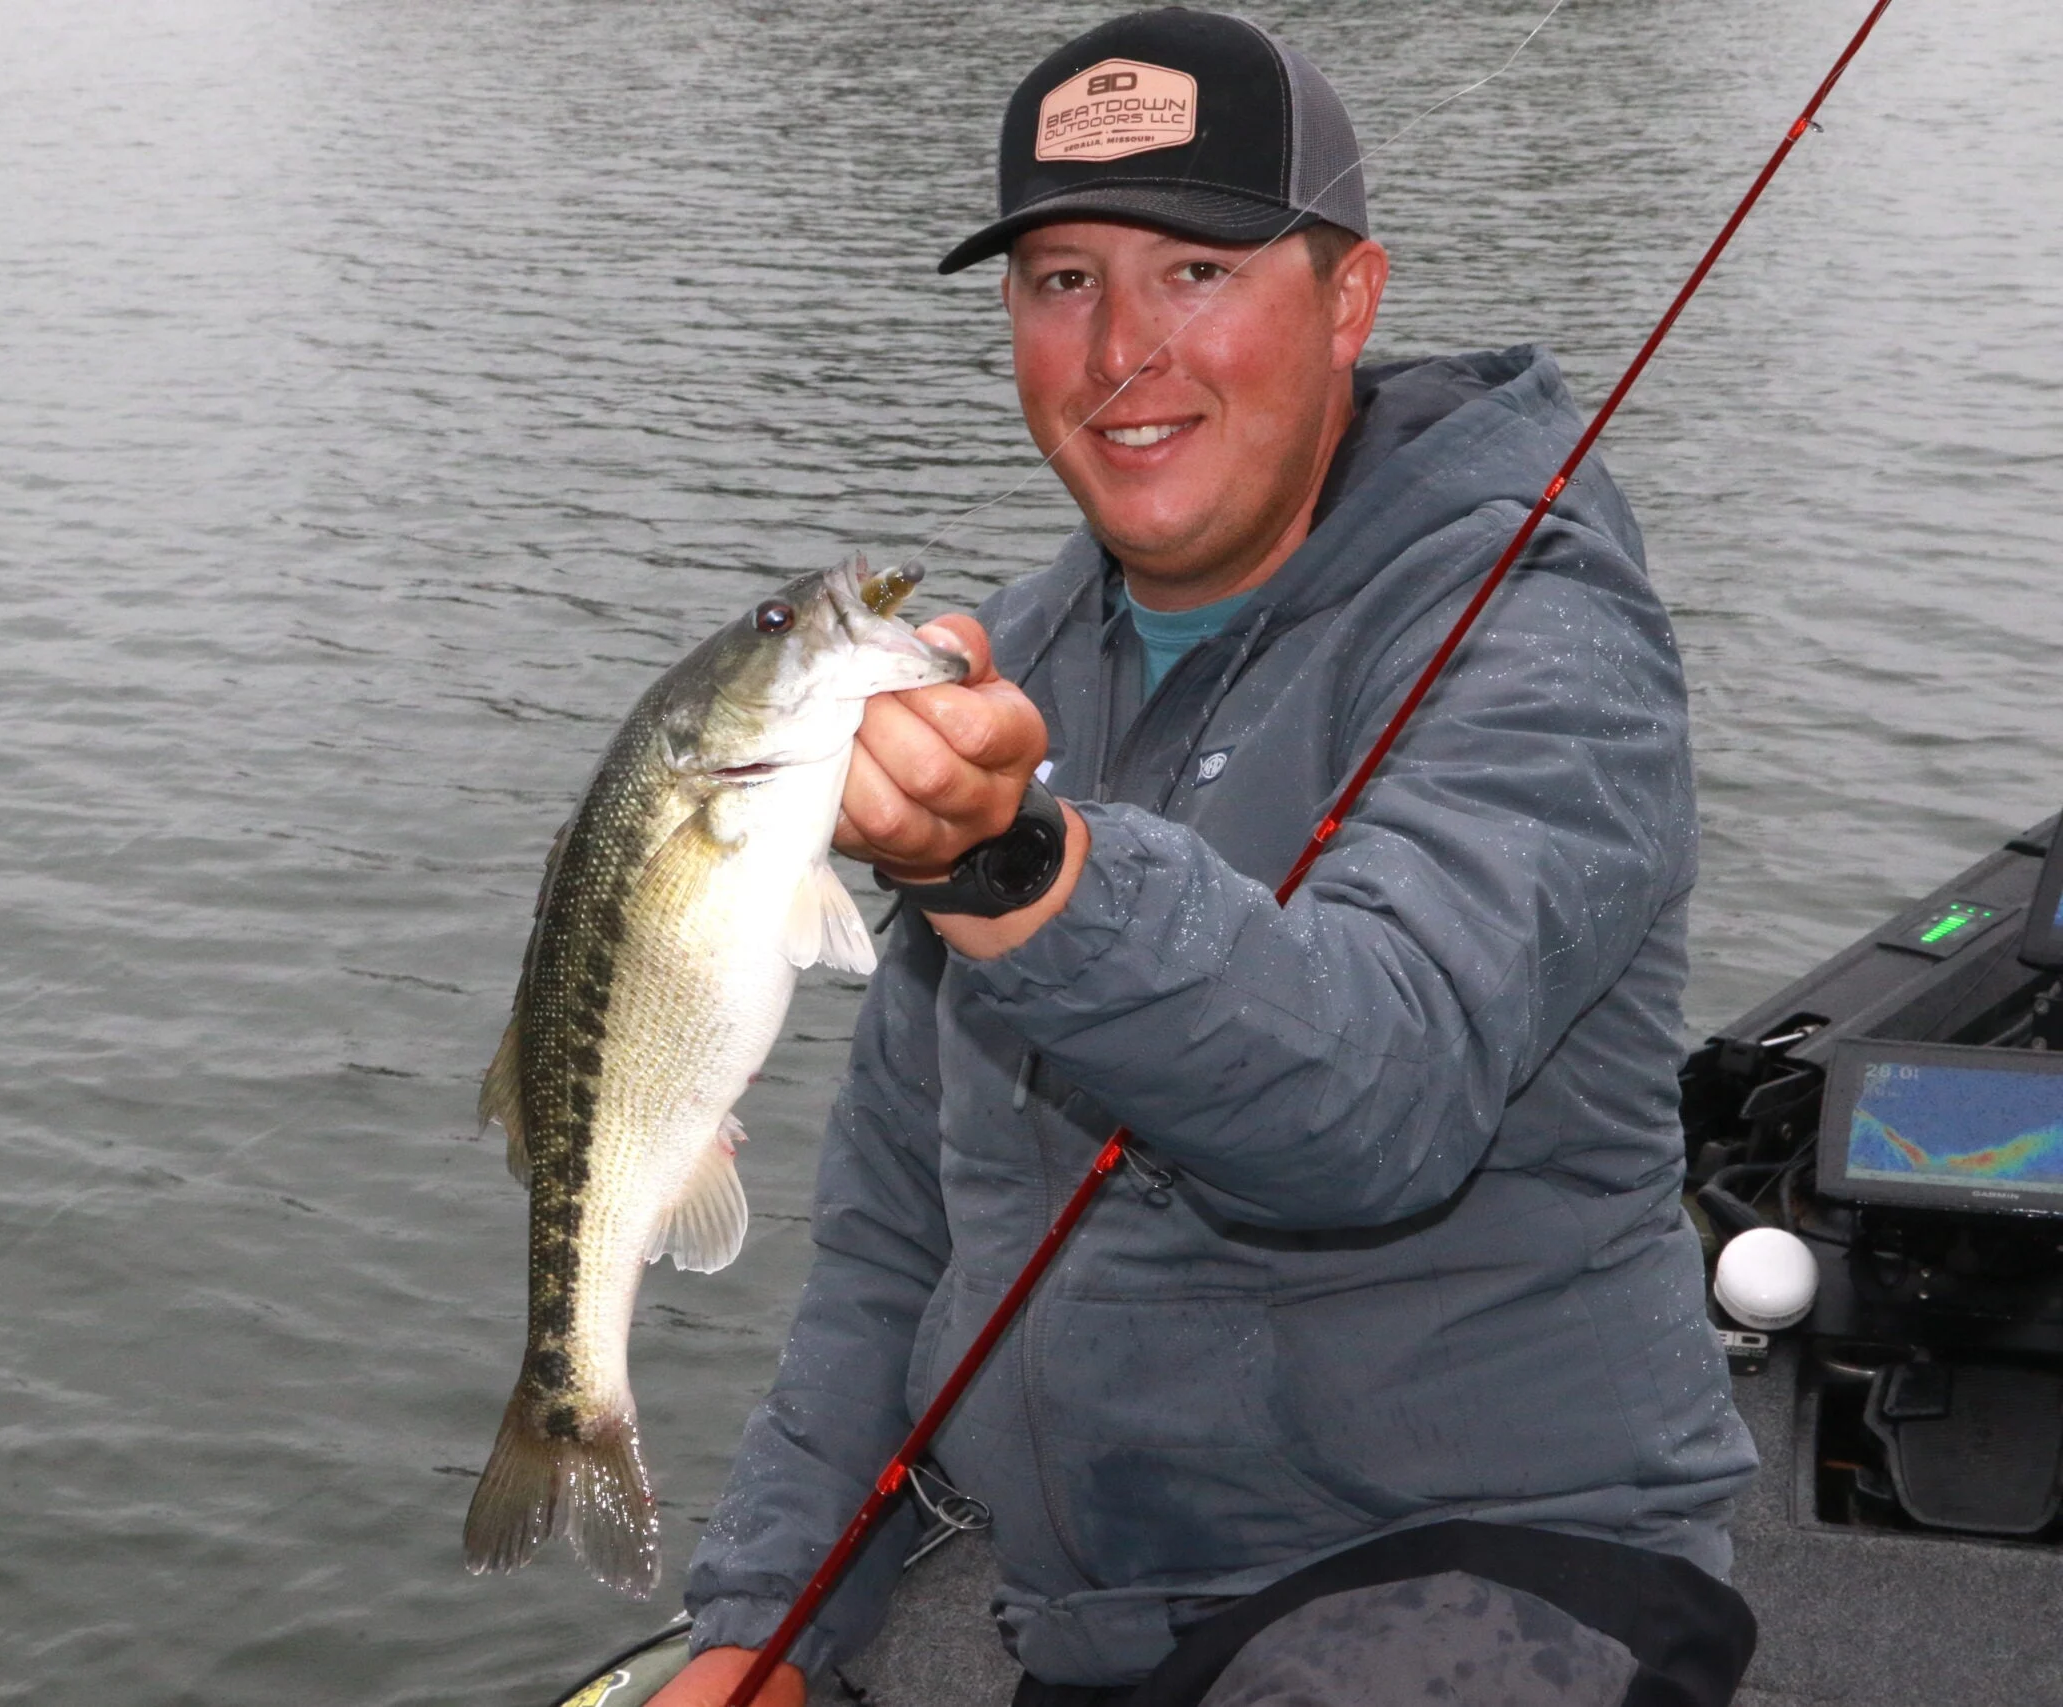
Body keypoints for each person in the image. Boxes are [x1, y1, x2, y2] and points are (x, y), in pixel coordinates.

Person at [652, 9, 1759, 1705]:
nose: (1119, 354)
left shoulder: (1545, 636)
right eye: (1060, 281)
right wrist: (762, 1621)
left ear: (1351, 298)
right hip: (1106, 1616)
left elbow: (1376, 1099)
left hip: (1490, 1568)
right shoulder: (1000, 668)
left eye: (1195, 271)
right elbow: (896, 1232)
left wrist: (1020, 870)